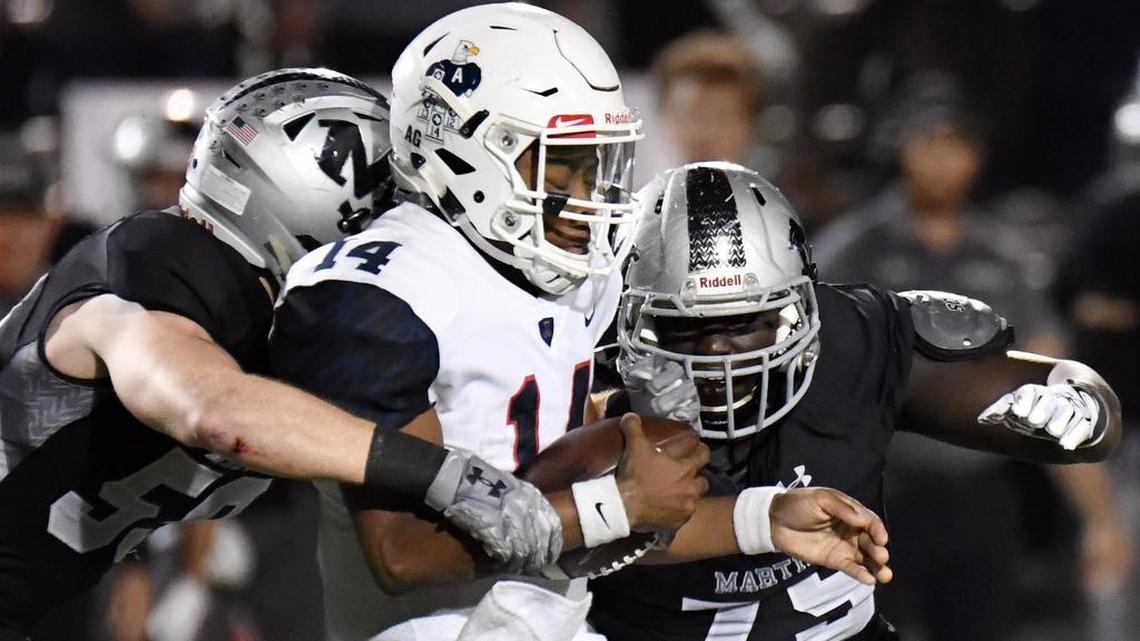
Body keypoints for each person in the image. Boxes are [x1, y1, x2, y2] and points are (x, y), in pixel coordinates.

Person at [268, 6, 893, 641]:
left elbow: (595, 515)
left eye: (597, 163)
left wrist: (761, 518)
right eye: (561, 163)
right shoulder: (379, 292)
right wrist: (616, 503)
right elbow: (402, 553)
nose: (589, 193)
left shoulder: (568, 272)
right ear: (462, 148)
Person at [0, 66, 568, 641]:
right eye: (388, 200)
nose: (398, 226)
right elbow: (216, 412)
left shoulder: (283, 317)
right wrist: (444, 475)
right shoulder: (161, 264)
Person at [587, 161, 1123, 641]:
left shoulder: (851, 343)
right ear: (632, 317)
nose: (720, 352)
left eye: (747, 320)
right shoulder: (583, 379)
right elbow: (557, 534)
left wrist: (1084, 404)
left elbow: (1058, 383)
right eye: (688, 325)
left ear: (802, 306)